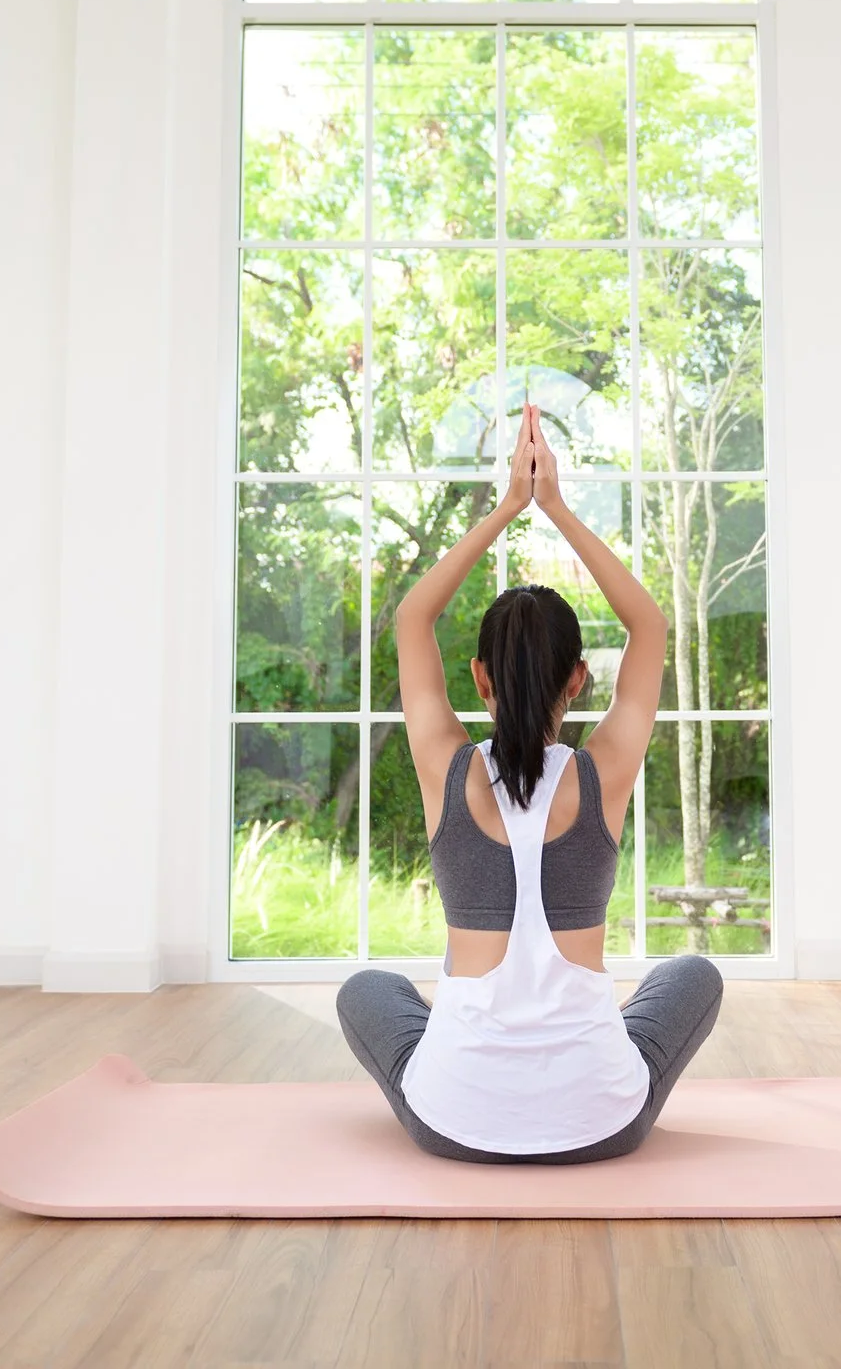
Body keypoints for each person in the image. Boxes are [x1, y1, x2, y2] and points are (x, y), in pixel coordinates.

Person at [336, 403, 723, 1163]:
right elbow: (648, 625)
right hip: (602, 1125)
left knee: (367, 989)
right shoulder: (600, 772)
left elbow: (414, 620)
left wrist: (505, 507)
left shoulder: (447, 767)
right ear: (578, 679)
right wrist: (556, 510)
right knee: (691, 973)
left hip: (451, 1124)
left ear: (478, 676)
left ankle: (466, 1065)